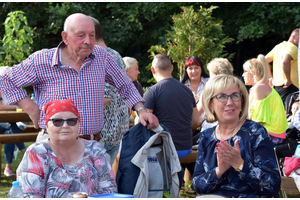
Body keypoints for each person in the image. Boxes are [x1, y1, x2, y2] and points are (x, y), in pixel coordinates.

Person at [0, 13, 158, 143]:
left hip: (91, 146)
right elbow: (5, 79)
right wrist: (31, 108)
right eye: (81, 36)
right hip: (53, 145)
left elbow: (125, 85)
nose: (88, 42)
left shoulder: (101, 57)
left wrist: (141, 110)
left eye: (91, 35)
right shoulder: (42, 60)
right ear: (65, 37)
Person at [192, 74, 281, 198]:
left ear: (242, 101)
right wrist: (219, 171)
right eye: (222, 97)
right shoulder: (206, 137)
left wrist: (240, 164)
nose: (229, 102)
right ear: (211, 104)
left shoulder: (256, 132)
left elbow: (272, 185)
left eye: (235, 96)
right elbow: (196, 185)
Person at [16, 99, 117, 198]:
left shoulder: (95, 150)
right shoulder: (37, 153)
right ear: (47, 126)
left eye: (71, 121)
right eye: (57, 121)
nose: (65, 126)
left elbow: (109, 191)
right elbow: (30, 195)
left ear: (78, 124)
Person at [143, 54, 200, 189]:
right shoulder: (187, 91)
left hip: (162, 149)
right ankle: (176, 188)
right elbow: (196, 121)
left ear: (152, 70)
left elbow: (144, 122)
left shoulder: (152, 91)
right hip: (185, 148)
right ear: (172, 68)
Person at [90, 16, 129, 165]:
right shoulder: (115, 54)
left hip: (102, 135)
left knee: (95, 182)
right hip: (116, 132)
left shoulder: (100, 56)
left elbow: (105, 98)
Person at [243, 54, 288, 145]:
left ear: (254, 72)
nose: (242, 74)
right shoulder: (263, 86)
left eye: (245, 71)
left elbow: (259, 120)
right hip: (276, 134)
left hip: (271, 135)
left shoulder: (258, 89)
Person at [0, 66, 26, 177]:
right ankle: (26, 154)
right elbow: (0, 107)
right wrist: (16, 107)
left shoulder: (14, 89)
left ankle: (8, 167)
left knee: (10, 131)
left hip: (8, 123)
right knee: (11, 126)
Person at [265, 28, 299, 104]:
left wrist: (270, 78)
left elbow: (264, 60)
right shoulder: (293, 47)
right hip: (290, 87)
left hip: (277, 88)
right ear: (293, 37)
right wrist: (288, 79)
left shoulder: (279, 46)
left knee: (282, 113)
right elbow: (285, 61)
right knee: (293, 113)